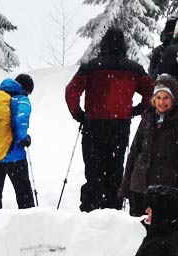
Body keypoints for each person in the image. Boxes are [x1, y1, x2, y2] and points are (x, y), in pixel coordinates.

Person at [66, 28, 156, 212]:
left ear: (103, 44)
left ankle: (91, 208)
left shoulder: (91, 66)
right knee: (115, 169)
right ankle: (112, 209)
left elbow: (71, 92)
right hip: (120, 125)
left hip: (94, 125)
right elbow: (151, 91)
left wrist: (79, 114)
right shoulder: (133, 69)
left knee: (93, 170)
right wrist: (137, 110)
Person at [120, 75, 178, 216]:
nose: (161, 102)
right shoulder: (146, 120)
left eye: (166, 97)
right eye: (158, 97)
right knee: (136, 232)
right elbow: (134, 154)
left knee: (162, 234)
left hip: (166, 191)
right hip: (139, 188)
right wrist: (125, 187)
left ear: (174, 99)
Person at [0, 75, 35, 222]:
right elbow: (21, 123)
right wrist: (24, 139)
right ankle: (30, 223)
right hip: (15, 156)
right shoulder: (22, 100)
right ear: (25, 89)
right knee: (23, 192)